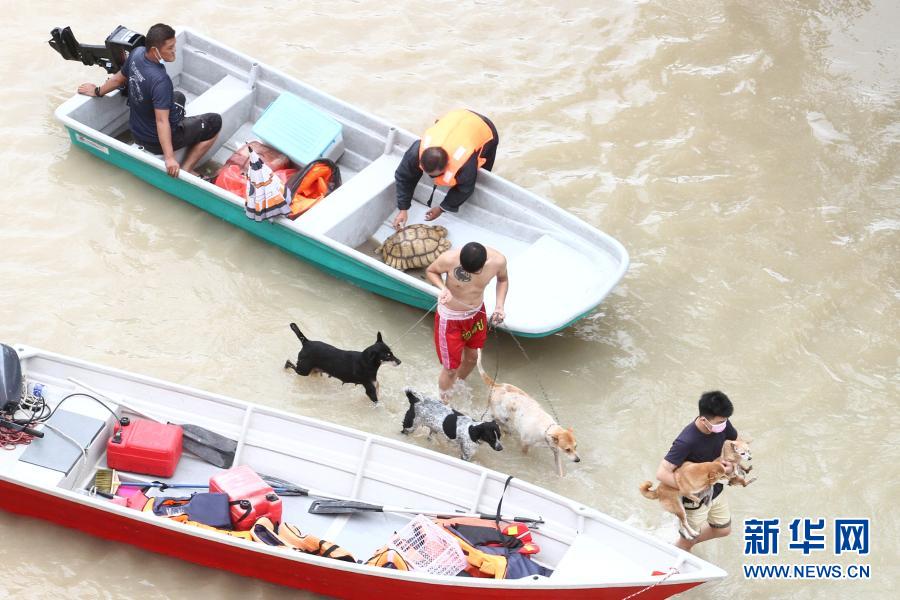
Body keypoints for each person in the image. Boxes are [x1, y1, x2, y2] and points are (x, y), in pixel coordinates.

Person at [78, 23, 222, 178]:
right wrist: (169, 158)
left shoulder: (137, 53)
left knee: (179, 96)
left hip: (136, 131)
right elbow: (161, 121)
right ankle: (187, 169)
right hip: (155, 142)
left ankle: (180, 125)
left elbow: (118, 79)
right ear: (154, 50)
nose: (174, 50)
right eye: (170, 48)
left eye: (174, 45)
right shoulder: (160, 81)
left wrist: (97, 91)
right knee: (214, 122)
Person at [655, 391, 739, 553]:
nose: (724, 424)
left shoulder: (722, 423)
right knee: (688, 540)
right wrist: (693, 489)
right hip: (694, 499)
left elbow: (736, 443)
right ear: (703, 419)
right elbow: (662, 473)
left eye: (725, 420)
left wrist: (732, 464)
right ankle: (679, 551)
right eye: (720, 422)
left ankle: (681, 544)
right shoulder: (686, 441)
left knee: (723, 530)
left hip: (716, 487)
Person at [426, 242, 508, 402]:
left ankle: (456, 386)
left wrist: (499, 306)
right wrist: (443, 288)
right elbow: (431, 271)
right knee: (450, 369)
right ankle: (443, 402)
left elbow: (503, 280)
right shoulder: (449, 258)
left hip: (476, 314)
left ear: (484, 264)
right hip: (450, 319)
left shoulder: (498, 261)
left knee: (472, 358)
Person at [392, 109, 499, 229]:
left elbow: (465, 189)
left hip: (484, 129)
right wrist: (403, 208)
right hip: (458, 116)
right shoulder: (416, 150)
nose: (432, 177)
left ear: (447, 165)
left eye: (437, 175)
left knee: (479, 177)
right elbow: (403, 176)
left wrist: (442, 208)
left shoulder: (465, 164)